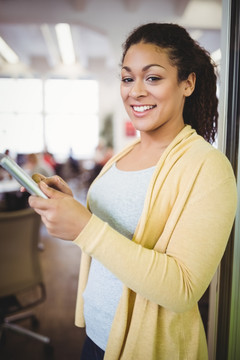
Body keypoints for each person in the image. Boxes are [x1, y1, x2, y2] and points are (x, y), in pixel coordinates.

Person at [26, 23, 237, 360]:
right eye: (127, 78)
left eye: (152, 78)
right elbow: (111, 234)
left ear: (188, 83)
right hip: (96, 338)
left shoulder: (208, 168)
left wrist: (85, 227)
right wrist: (72, 209)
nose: (135, 91)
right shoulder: (121, 158)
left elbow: (183, 288)